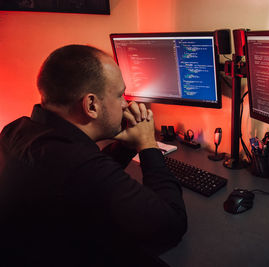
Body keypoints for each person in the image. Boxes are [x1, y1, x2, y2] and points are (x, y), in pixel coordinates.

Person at [0, 45, 187, 266]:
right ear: (91, 104)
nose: (125, 104)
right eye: (119, 95)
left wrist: (126, 145)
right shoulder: (77, 165)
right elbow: (170, 227)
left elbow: (88, 175)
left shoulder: (16, 130)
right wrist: (148, 145)